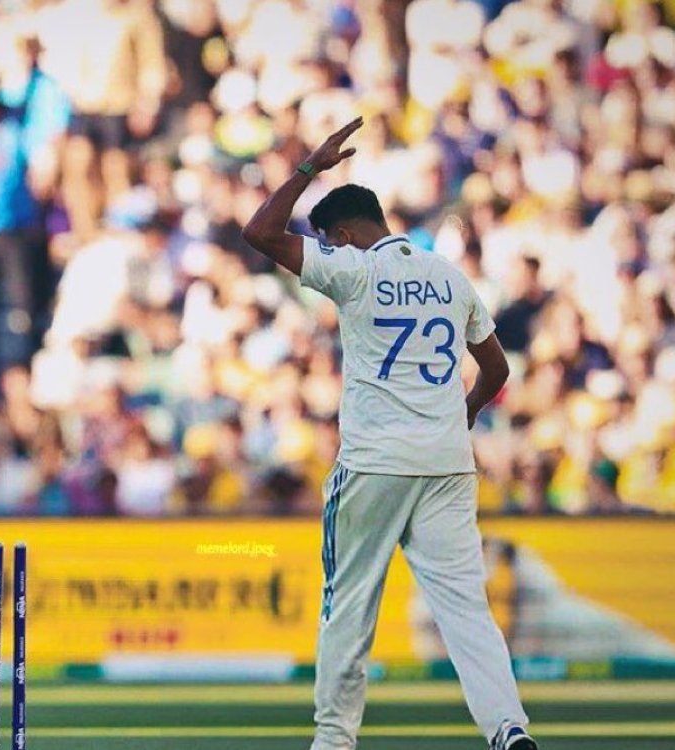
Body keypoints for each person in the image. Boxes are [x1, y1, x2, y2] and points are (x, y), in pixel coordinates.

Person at [242, 118, 537, 750]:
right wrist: (463, 413)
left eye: (331, 240)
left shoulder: (353, 270)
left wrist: (308, 168)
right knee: (467, 609)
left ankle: (334, 740)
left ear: (344, 236)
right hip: (446, 463)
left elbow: (259, 233)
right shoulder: (449, 276)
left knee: (348, 606)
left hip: (375, 463)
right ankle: (508, 729)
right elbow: (496, 370)